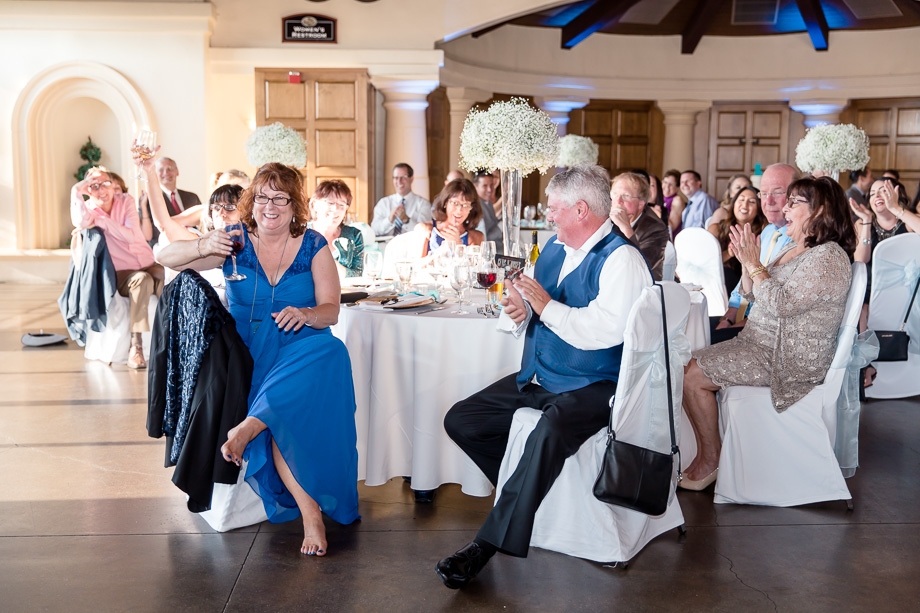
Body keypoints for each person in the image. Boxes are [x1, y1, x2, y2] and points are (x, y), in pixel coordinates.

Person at [435, 164, 652, 589]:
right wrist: (517, 311)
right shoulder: (553, 247)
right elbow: (529, 304)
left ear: (581, 210)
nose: (548, 216)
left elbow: (605, 330)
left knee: (549, 430)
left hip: (597, 386)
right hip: (541, 377)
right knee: (463, 419)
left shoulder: (622, 259)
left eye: (554, 209)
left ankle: (483, 547)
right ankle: (526, 495)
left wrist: (546, 306)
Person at [156, 162, 360, 556]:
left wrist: (306, 315)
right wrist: (203, 245)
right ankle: (310, 514)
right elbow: (167, 256)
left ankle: (250, 429)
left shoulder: (314, 244)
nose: (270, 205)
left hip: (302, 344)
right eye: (263, 196)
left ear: (294, 204)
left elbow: (331, 310)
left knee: (331, 348)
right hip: (249, 354)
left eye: (280, 198)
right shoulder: (234, 240)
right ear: (252, 201)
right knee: (286, 408)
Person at [681, 177, 856, 490]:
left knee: (691, 375)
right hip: (761, 344)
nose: (784, 208)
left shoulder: (828, 258)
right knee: (685, 361)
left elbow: (781, 305)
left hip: (787, 358)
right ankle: (711, 453)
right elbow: (754, 296)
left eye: (793, 202)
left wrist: (753, 264)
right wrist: (750, 265)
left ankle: (712, 459)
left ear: (820, 211)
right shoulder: (795, 247)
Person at [70, 166, 164, 369]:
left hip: (147, 261)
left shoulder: (126, 201)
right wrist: (75, 191)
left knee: (167, 275)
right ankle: (136, 345)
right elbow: (79, 220)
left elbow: (131, 235)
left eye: (105, 183)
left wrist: (103, 221)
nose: (101, 190)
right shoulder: (88, 210)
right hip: (123, 272)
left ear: (113, 185)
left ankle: (173, 337)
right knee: (142, 281)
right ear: (87, 190)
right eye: (94, 186)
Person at [713, 164, 799, 341]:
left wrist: (736, 327)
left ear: (796, 196)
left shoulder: (799, 240)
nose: (768, 202)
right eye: (764, 193)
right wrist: (728, 318)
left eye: (777, 192)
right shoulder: (767, 232)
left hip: (767, 330)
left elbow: (780, 308)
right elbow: (741, 289)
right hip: (741, 317)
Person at [609, 172, 669, 281]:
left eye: (626, 196)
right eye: (614, 194)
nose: (618, 201)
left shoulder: (656, 228)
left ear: (641, 204)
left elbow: (641, 267)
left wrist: (625, 228)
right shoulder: (604, 217)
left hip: (642, 289)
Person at [708, 185, 767, 292]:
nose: (745, 205)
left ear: (759, 208)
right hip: (718, 288)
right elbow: (703, 263)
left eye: (752, 202)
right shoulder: (716, 229)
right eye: (741, 199)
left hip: (751, 286)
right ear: (734, 204)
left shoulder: (763, 234)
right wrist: (728, 254)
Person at [308, 179, 364, 278]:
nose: (335, 209)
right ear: (314, 204)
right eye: (330, 203)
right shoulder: (300, 233)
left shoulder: (354, 235)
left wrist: (328, 262)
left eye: (341, 205)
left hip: (345, 292)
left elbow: (357, 275)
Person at [417, 178, 484, 255]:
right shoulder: (425, 229)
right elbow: (417, 265)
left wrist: (459, 245)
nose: (459, 210)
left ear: (471, 208)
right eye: (455, 203)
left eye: (465, 205)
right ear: (445, 203)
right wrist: (442, 251)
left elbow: (476, 265)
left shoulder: (476, 236)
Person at [371, 163, 432, 236]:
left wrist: (407, 220)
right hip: (385, 245)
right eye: (396, 178)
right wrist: (389, 220)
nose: (399, 181)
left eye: (403, 177)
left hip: (412, 246)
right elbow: (374, 230)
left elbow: (425, 231)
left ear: (411, 179)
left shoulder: (423, 204)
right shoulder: (384, 203)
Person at [473, 170, 503, 251]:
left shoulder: (488, 204)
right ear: (475, 187)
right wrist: (501, 227)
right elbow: (484, 238)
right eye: (485, 186)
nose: (489, 190)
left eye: (491, 185)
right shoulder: (476, 207)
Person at [662, 169, 686, 235]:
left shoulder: (677, 200)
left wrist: (658, 212)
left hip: (671, 240)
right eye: (665, 182)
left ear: (677, 187)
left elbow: (671, 227)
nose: (667, 187)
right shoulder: (661, 197)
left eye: (671, 184)